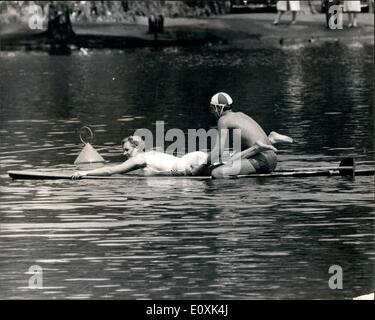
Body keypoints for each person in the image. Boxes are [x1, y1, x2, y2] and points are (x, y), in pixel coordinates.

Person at [205, 92, 293, 179]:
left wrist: (201, 166)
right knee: (227, 159)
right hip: (271, 158)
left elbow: (218, 151)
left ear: (218, 108)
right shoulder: (241, 115)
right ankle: (270, 139)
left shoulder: (223, 120)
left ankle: (239, 191)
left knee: (217, 173)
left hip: (263, 161)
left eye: (212, 108)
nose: (212, 111)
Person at [72, 135, 209, 178]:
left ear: (136, 147)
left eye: (127, 150)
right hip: (193, 157)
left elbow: (110, 170)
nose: (124, 153)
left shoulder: (139, 159)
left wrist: (85, 172)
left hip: (185, 166)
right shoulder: (151, 153)